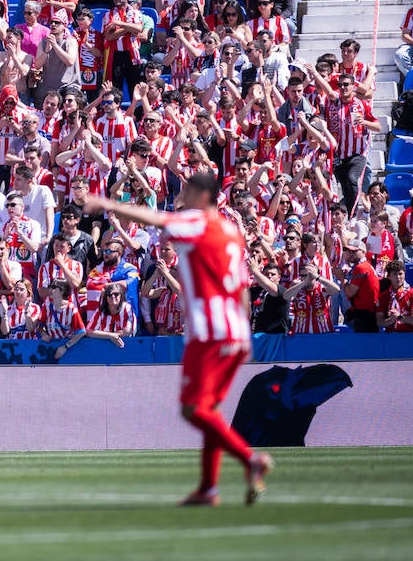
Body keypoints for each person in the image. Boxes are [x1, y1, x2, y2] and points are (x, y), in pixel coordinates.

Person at [84, 172, 273, 507]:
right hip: (235, 330)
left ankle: (250, 460)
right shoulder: (232, 231)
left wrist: (105, 204)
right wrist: (244, 334)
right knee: (209, 410)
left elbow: (153, 217)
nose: (182, 194)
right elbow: (242, 287)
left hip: (209, 331)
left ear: (203, 195)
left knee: (192, 410)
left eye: (188, 189)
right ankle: (208, 488)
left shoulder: (198, 224)